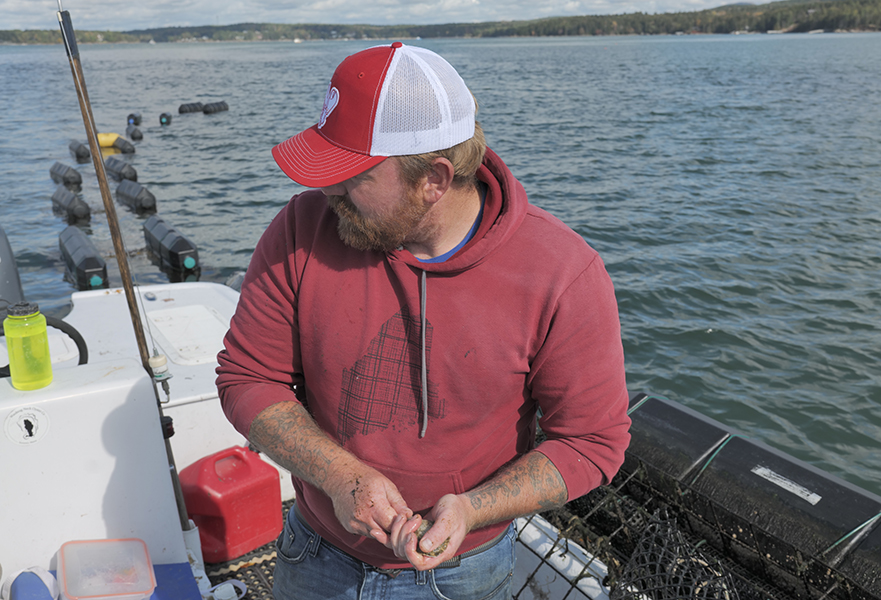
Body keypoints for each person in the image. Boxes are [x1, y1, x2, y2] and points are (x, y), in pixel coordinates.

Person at [216, 41, 630, 599]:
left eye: (353, 175)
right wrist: (341, 477)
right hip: (315, 551)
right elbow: (247, 377)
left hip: (466, 574)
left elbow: (591, 442)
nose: (326, 189)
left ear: (434, 178)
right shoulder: (301, 228)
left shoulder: (563, 273)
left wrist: (473, 509)